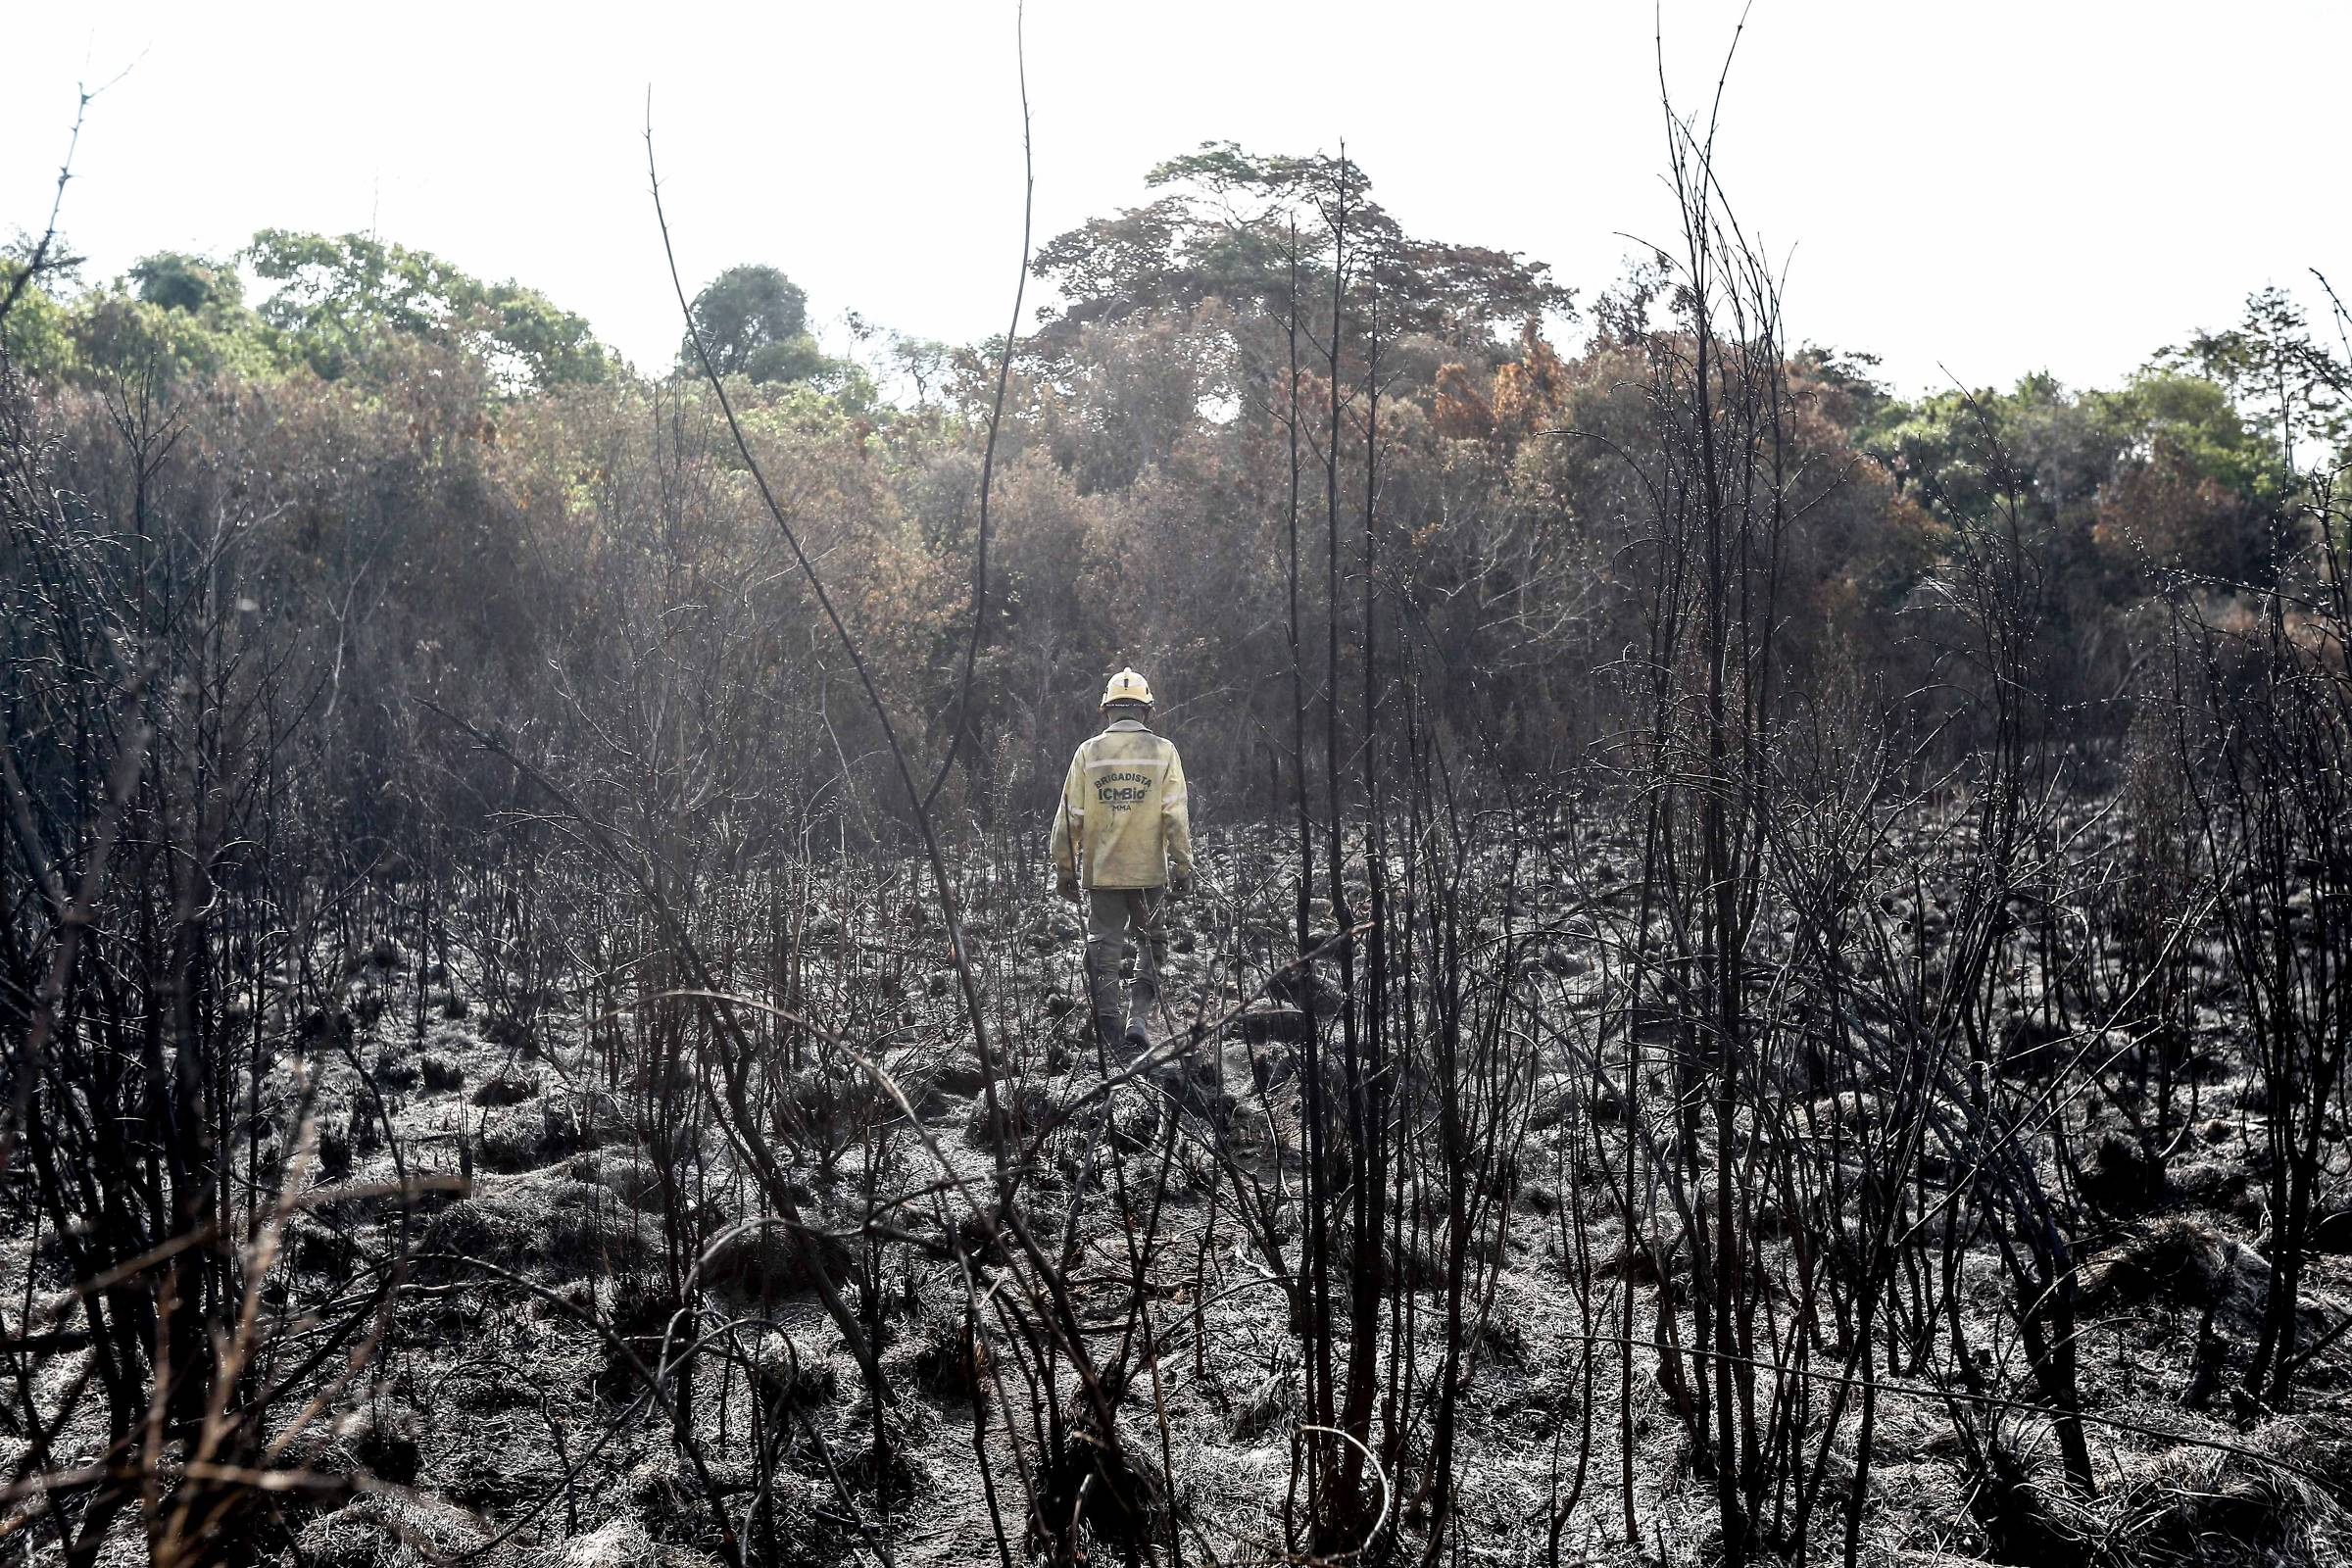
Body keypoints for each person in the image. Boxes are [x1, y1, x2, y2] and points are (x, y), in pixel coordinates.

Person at [1049, 667, 1194, 1054]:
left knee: (1103, 949)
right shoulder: (1164, 752)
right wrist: (1183, 864)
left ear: (1106, 710)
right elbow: (1174, 815)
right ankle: (1139, 1022)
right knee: (1152, 945)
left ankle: (1110, 1031)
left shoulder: (1088, 753)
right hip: (1149, 872)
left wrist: (1064, 867)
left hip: (1103, 872)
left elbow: (1070, 816)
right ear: (1147, 710)